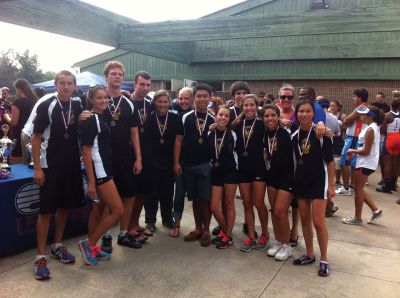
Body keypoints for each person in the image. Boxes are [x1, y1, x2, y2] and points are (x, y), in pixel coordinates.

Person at [31, 70, 85, 280]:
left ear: (74, 86)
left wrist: (83, 117)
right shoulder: (47, 105)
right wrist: (37, 168)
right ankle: (40, 257)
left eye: (69, 83)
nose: (65, 86)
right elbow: (35, 138)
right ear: (55, 84)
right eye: (62, 82)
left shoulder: (78, 104)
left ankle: (58, 245)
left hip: (71, 163)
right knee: (46, 211)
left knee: (64, 207)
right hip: (49, 164)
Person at [92, 61, 142, 253]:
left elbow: (134, 132)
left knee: (128, 195)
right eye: (113, 74)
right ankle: (105, 236)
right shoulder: (98, 99)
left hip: (124, 156)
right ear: (106, 76)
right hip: (103, 158)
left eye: (120, 74)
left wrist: (138, 157)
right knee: (105, 200)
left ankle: (123, 233)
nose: (117, 77)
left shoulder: (129, 102)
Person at [78, 85, 124, 265]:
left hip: (105, 170)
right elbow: (86, 151)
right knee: (118, 211)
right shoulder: (92, 119)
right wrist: (91, 182)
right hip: (100, 172)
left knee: (98, 211)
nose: (104, 100)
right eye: (99, 98)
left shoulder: (99, 116)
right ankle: (88, 244)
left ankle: (93, 246)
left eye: (106, 97)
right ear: (91, 100)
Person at [291, 99, 334, 277]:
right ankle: (310, 254)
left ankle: (324, 259)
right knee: (305, 219)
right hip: (301, 180)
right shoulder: (294, 136)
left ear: (313, 114)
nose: (304, 114)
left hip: (319, 180)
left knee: (318, 221)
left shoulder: (322, 134)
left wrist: (331, 185)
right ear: (297, 113)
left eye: (308, 111)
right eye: (301, 111)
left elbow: (330, 162)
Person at [179, 83, 215, 247]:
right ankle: (198, 228)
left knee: (205, 200)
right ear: (194, 98)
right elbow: (179, 141)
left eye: (204, 96)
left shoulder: (214, 119)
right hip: (188, 165)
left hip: (205, 165)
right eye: (198, 96)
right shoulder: (186, 117)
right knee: (194, 199)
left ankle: (207, 230)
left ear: (210, 97)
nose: (201, 99)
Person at [232, 94, 269, 252]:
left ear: (257, 106)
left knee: (259, 203)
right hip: (243, 169)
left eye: (251, 105)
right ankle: (251, 236)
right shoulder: (237, 124)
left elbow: (276, 125)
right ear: (242, 107)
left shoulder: (262, 124)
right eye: (246, 105)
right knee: (247, 203)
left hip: (259, 167)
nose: (249, 108)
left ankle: (265, 234)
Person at [143, 90, 182, 231]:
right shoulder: (148, 117)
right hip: (151, 161)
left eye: (165, 102)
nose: (162, 104)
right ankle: (150, 221)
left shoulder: (174, 117)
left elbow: (178, 140)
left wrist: (176, 162)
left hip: (168, 160)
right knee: (151, 192)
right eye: (159, 101)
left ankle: (167, 218)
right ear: (154, 103)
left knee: (167, 191)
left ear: (169, 103)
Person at [342, 106, 384, 225]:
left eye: (363, 114)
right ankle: (376, 210)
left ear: (371, 116)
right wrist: (354, 152)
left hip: (366, 162)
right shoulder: (370, 127)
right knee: (358, 188)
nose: (361, 116)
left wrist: (352, 151)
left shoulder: (371, 129)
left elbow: (366, 151)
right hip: (365, 162)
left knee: (358, 189)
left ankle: (357, 218)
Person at [262, 105, 294, 261]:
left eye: (273, 115)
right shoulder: (263, 134)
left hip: (287, 177)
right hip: (271, 177)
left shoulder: (287, 130)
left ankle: (287, 246)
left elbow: (304, 128)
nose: (270, 119)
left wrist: (322, 126)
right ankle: (278, 241)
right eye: (266, 116)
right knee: (274, 211)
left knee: (281, 212)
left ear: (278, 116)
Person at [128, 71, 156, 237]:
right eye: (142, 84)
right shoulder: (125, 102)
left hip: (146, 152)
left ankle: (135, 224)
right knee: (130, 192)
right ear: (134, 85)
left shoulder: (149, 104)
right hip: (128, 153)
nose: (145, 88)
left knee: (141, 192)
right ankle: (128, 227)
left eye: (148, 85)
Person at [208, 105, 238, 249]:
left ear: (229, 119)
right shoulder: (210, 132)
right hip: (216, 172)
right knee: (214, 206)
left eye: (226, 116)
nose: (223, 118)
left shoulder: (232, 134)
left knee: (228, 204)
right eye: (221, 114)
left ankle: (227, 236)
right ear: (215, 115)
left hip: (230, 172)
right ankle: (226, 232)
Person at [170, 87, 194, 237]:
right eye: (181, 98)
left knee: (197, 196)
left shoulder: (203, 115)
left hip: (195, 162)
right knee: (178, 194)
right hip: (180, 161)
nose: (183, 101)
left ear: (192, 99)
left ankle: (201, 227)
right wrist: (176, 161)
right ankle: (176, 223)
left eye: (186, 98)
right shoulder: (174, 114)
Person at [336, 88, 368, 196]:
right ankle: (352, 185)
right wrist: (348, 121)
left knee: (344, 162)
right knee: (352, 163)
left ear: (360, 97)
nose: (353, 98)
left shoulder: (361, 108)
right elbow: (348, 122)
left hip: (354, 137)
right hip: (355, 137)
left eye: (355, 96)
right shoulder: (363, 107)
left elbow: (347, 121)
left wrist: (346, 120)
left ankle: (346, 188)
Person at [3, 79, 38, 164]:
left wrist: (7, 117)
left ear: (18, 88)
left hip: (19, 136)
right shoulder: (35, 101)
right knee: (31, 161)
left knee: (18, 165)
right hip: (33, 135)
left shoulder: (17, 102)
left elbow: (14, 122)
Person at [318, 99, 340, 217]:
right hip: (328, 148)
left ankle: (327, 207)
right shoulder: (334, 118)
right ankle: (328, 206)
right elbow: (337, 133)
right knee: (327, 179)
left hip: (317, 150)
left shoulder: (315, 116)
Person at [376, 98, 400, 194]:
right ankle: (393, 184)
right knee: (396, 163)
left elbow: (383, 129)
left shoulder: (387, 115)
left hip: (389, 138)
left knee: (387, 163)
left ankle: (386, 187)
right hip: (398, 138)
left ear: (391, 105)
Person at [329, 99, 347, 187]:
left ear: (338, 107)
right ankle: (330, 179)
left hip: (338, 140)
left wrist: (339, 123)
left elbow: (346, 129)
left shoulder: (342, 116)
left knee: (338, 161)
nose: (332, 107)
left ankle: (338, 180)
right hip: (329, 139)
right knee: (330, 160)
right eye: (331, 105)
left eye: (334, 106)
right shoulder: (328, 115)